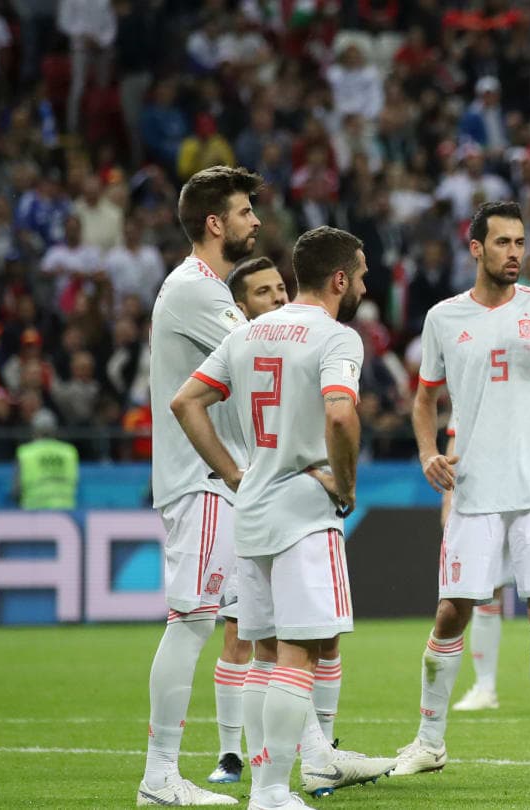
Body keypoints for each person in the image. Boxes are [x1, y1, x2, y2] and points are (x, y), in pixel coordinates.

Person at [172, 226, 381, 810]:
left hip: (252, 509)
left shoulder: (249, 333)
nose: (364, 286)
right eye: (361, 276)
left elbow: (185, 401)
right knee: (300, 654)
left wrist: (233, 474)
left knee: (264, 655)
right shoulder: (337, 338)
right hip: (304, 513)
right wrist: (345, 485)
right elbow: (340, 415)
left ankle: (269, 788)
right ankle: (271, 792)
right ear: (339, 279)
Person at [396, 201, 530, 776]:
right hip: (475, 488)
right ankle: (429, 742)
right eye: (502, 242)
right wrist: (427, 453)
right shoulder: (443, 317)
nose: (514, 252)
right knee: (452, 611)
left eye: (520, 242)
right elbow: (424, 399)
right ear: (476, 248)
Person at [139, 165, 261, 807]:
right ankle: (159, 775)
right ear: (215, 223)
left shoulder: (209, 289)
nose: (255, 222)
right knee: (191, 622)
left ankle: (303, 756)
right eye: (244, 212)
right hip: (203, 480)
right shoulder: (194, 290)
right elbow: (266, 357)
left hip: (227, 483)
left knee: (253, 623)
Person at [446, 378, 530, 714]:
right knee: (485, 594)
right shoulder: (473, 379)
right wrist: (449, 502)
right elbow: (455, 442)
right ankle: (484, 687)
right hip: (487, 501)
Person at [205, 256, 285, 785]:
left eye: (281, 288)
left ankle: (317, 747)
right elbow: (186, 403)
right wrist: (232, 473)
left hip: (294, 502)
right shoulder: (230, 351)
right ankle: (231, 753)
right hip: (244, 500)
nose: (277, 297)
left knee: (313, 633)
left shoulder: (304, 342)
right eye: (263, 292)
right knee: (241, 629)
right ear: (239, 307)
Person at [15, 410, 79, 509]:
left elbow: (16, 490)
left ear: (34, 430)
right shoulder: (69, 452)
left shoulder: (25, 453)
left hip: (34, 510)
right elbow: (76, 483)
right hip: (65, 509)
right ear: (55, 429)